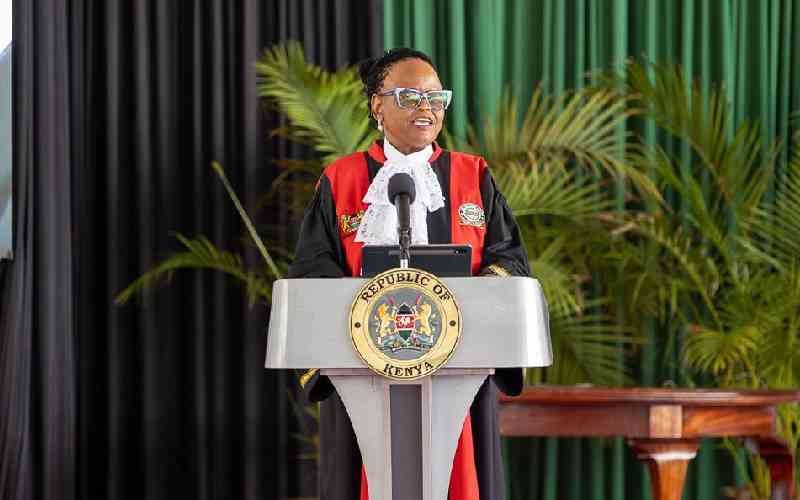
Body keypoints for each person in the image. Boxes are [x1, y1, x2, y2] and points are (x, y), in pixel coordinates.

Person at [288, 48, 530, 500]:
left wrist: (481, 296)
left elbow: (510, 258)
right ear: (377, 106)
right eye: (410, 96)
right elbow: (311, 270)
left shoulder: (472, 175)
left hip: (459, 366)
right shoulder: (341, 179)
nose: (426, 107)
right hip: (361, 368)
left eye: (436, 97)